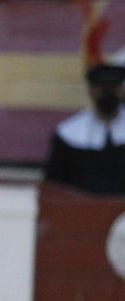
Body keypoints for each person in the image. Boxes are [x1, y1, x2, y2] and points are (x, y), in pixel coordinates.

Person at [44, 52, 125, 195]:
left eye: (113, 88)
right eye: (102, 89)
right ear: (91, 91)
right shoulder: (69, 134)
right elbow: (54, 187)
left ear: (121, 91)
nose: (108, 94)